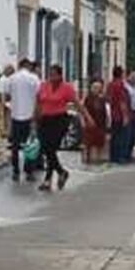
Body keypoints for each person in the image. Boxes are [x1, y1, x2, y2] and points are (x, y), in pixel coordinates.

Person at [35, 64, 76, 192]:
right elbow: (38, 102)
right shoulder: (43, 86)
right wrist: (34, 118)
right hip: (44, 120)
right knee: (46, 149)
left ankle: (48, 179)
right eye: (50, 74)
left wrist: (87, 117)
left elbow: (77, 103)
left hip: (59, 120)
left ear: (60, 75)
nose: (51, 76)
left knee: (51, 149)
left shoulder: (66, 88)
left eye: (54, 74)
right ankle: (61, 172)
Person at [6, 59, 41, 182]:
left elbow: (8, 95)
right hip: (29, 115)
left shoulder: (12, 78)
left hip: (15, 115)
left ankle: (16, 171)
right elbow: (39, 96)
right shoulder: (34, 79)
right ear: (28, 66)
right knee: (30, 145)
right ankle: (29, 171)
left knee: (15, 145)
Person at [107, 66, 131, 164]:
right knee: (122, 137)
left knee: (114, 136)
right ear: (121, 74)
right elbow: (122, 101)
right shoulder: (119, 85)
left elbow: (108, 98)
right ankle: (120, 157)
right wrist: (125, 116)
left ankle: (113, 156)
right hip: (120, 115)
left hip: (113, 114)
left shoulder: (110, 85)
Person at [81, 78, 109, 164]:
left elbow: (105, 112)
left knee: (99, 142)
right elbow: (83, 110)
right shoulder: (88, 98)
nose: (96, 89)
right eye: (95, 87)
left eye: (98, 87)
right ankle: (88, 159)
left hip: (100, 123)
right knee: (88, 142)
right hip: (90, 123)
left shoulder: (102, 99)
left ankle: (98, 159)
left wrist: (107, 122)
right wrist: (84, 121)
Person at [0, 64, 14, 143]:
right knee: (3, 122)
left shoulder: (8, 79)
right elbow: (2, 94)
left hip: (8, 102)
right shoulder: (3, 80)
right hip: (4, 103)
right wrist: (4, 104)